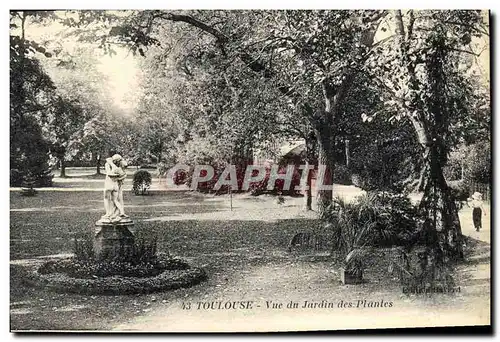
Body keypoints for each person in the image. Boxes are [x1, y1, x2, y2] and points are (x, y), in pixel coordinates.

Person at [101, 154, 129, 223]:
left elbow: (109, 173)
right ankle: (120, 212)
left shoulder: (110, 165)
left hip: (109, 184)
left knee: (107, 198)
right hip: (116, 185)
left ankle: (109, 213)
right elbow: (122, 175)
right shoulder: (120, 169)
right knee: (116, 200)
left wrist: (110, 162)